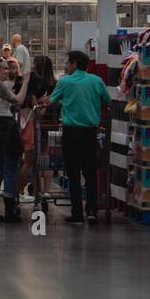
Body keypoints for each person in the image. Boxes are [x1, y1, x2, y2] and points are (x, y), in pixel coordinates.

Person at [40, 50, 109, 225]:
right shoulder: (97, 81)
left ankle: (77, 214)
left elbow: (50, 101)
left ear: (75, 64)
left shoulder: (65, 82)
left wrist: (43, 100)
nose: (65, 66)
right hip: (91, 133)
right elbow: (107, 101)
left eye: (68, 63)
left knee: (73, 174)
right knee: (90, 172)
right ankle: (92, 211)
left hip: (71, 133)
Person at [0, 57, 29, 223]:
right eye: (4, 69)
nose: (7, 71)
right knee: (9, 170)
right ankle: (10, 211)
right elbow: (18, 100)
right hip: (7, 128)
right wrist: (25, 83)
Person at [18, 54, 56, 204]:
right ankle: (46, 191)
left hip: (30, 123)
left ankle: (19, 192)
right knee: (45, 158)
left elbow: (25, 102)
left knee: (27, 161)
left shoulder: (31, 80)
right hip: (48, 124)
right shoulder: (53, 83)